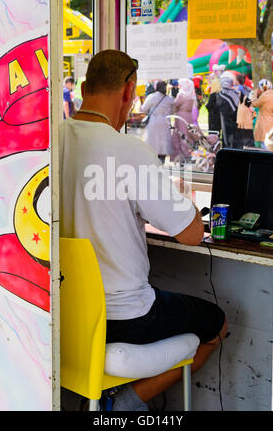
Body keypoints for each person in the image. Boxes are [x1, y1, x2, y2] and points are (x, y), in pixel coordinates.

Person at [59, 49, 227, 411]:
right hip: (126, 315)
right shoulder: (128, 151)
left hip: (66, 312)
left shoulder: (52, 141)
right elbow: (192, 234)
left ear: (85, 87)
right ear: (127, 91)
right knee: (218, 323)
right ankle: (124, 404)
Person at [140, 80, 174, 164]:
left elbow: (143, 109)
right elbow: (173, 110)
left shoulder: (152, 97)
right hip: (165, 122)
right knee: (163, 144)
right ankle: (161, 162)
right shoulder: (169, 99)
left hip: (154, 122)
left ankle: (152, 163)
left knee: (153, 144)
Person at [171, 78, 199, 162]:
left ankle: (183, 155)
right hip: (189, 115)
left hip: (181, 116)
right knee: (188, 135)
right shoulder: (191, 95)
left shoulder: (182, 95)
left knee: (181, 135)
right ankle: (189, 152)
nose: (179, 87)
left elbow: (175, 104)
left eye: (180, 85)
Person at [251, 79, 273, 148]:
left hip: (264, 123)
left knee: (265, 145)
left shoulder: (265, 95)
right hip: (272, 122)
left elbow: (254, 103)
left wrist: (255, 94)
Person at [217, 72, 240, 148]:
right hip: (234, 119)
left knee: (227, 138)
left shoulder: (220, 94)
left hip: (225, 119)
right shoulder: (235, 93)